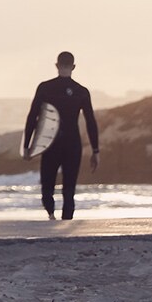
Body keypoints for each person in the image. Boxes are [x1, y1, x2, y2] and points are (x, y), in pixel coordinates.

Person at [26, 51, 101, 220]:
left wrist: (27, 145)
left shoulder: (45, 88)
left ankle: (51, 215)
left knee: (47, 185)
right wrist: (96, 150)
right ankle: (66, 221)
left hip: (51, 142)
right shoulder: (81, 91)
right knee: (69, 188)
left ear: (56, 65)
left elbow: (33, 116)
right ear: (73, 67)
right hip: (72, 144)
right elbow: (91, 121)